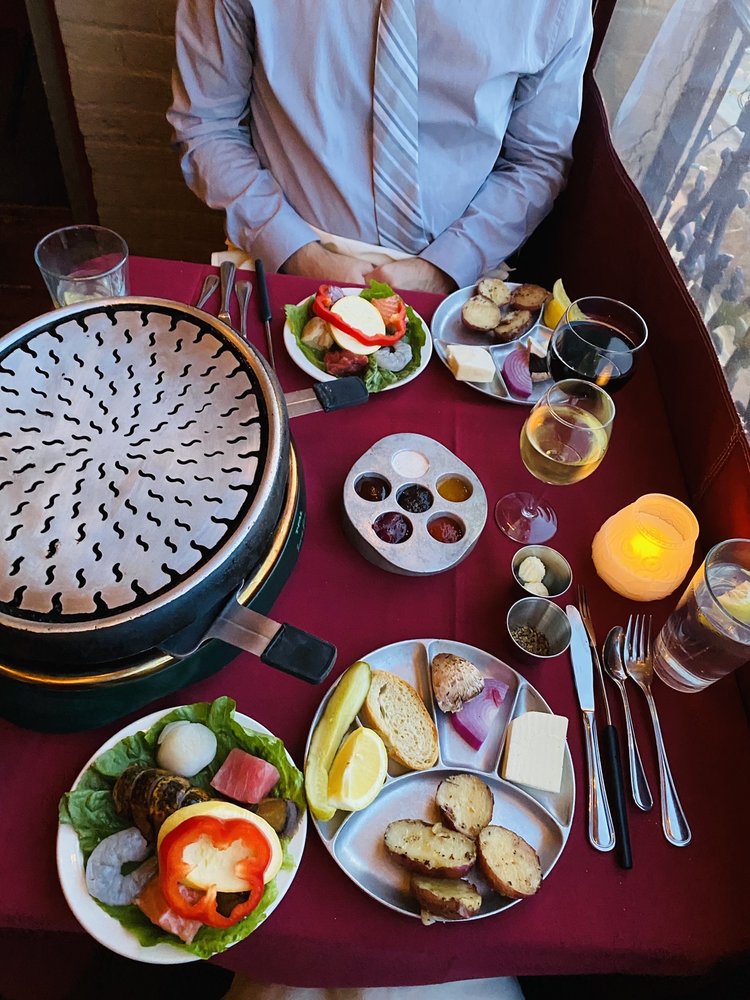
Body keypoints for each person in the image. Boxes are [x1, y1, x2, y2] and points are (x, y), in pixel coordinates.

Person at [167, 1, 593, 295]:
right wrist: (297, 253)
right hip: (286, 258)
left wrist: (443, 269)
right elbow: (206, 125)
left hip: (459, 280)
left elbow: (536, 160)